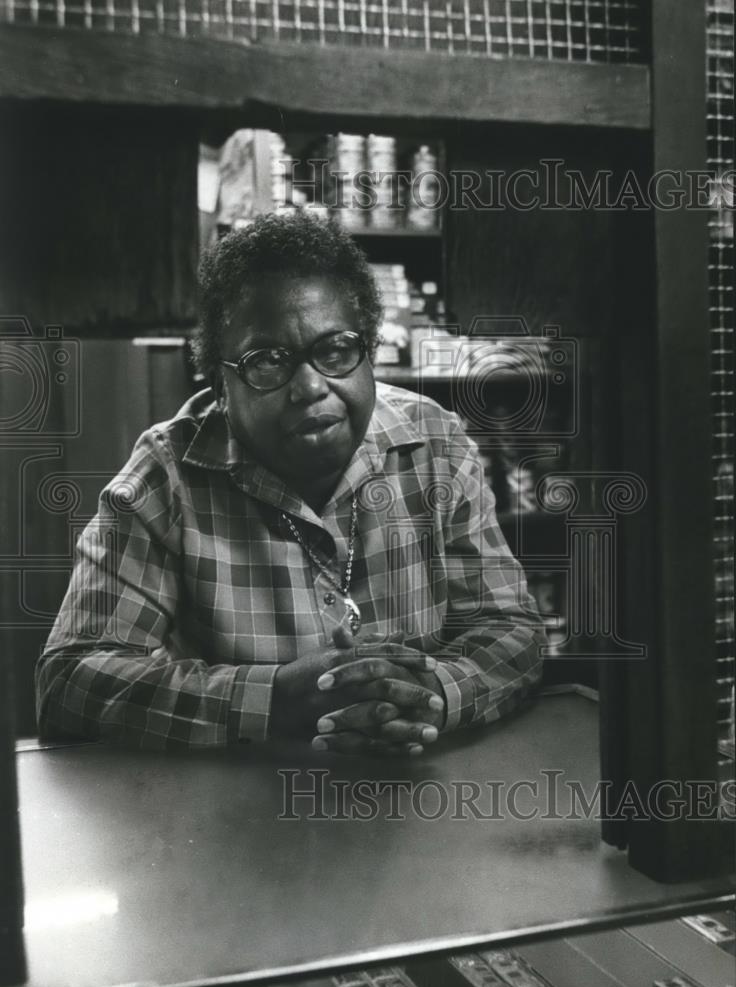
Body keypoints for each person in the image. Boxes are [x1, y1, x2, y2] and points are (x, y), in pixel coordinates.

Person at [36, 213, 543, 754]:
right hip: (231, 817)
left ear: (369, 351)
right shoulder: (165, 477)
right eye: (267, 361)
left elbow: (512, 628)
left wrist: (432, 692)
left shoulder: (436, 445)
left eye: (335, 350)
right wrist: (272, 701)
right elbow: (71, 681)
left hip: (419, 796)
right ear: (220, 383)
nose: (309, 387)